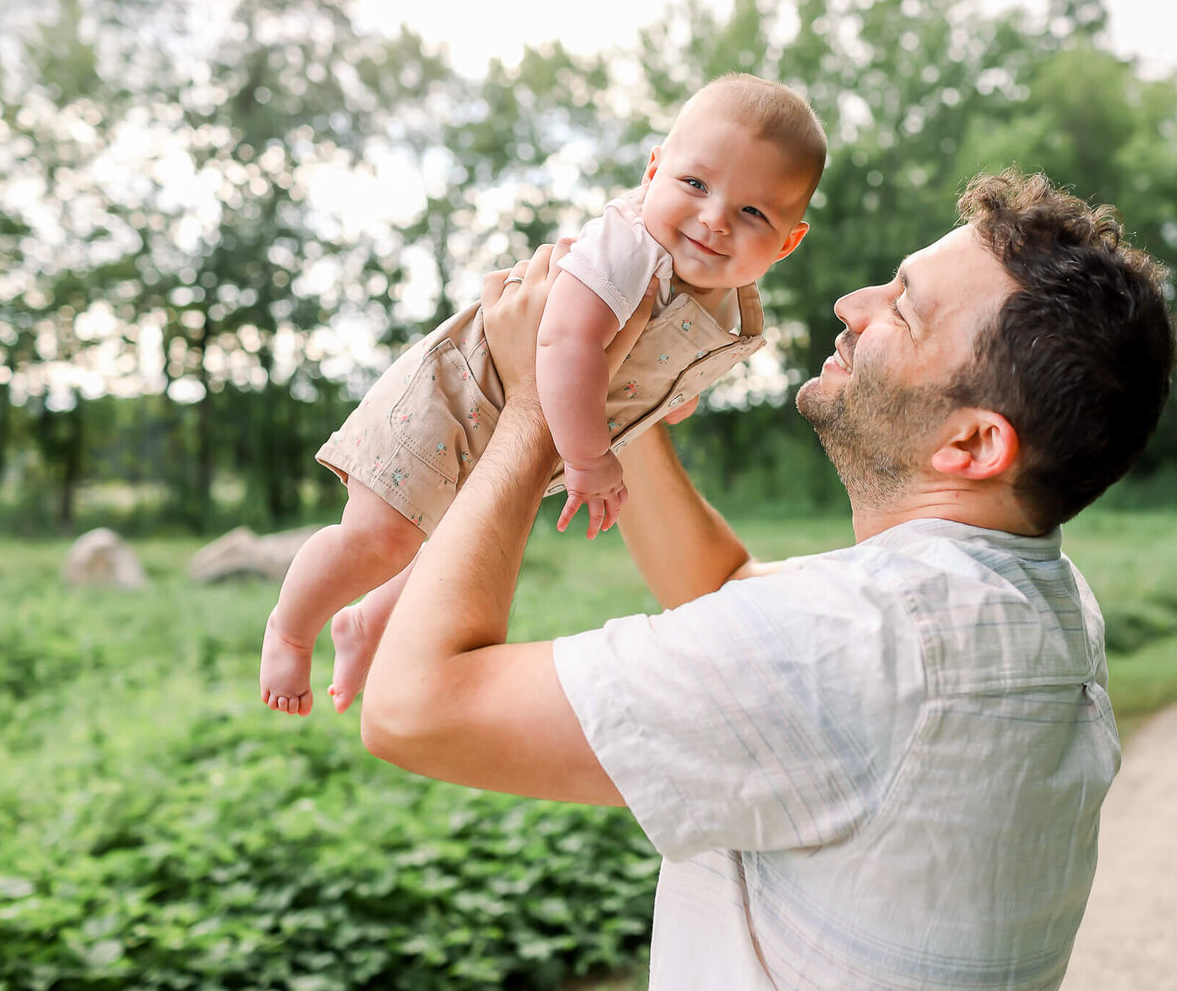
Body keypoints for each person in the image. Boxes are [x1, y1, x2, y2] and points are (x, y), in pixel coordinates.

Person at [359, 169, 1177, 990]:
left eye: (902, 307)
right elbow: (731, 590)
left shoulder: (861, 643)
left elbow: (415, 708)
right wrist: (607, 405)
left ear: (971, 445)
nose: (851, 305)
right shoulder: (1039, 595)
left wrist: (534, 415)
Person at [260, 74, 826, 716]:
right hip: (456, 398)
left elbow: (664, 368)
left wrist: (669, 399)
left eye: (752, 212)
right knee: (381, 540)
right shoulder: (627, 246)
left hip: (515, 432)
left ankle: (366, 625)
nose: (714, 218)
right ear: (654, 170)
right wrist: (589, 461)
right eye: (695, 184)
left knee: (449, 554)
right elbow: (563, 345)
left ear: (787, 242)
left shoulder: (725, 304)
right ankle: (289, 626)